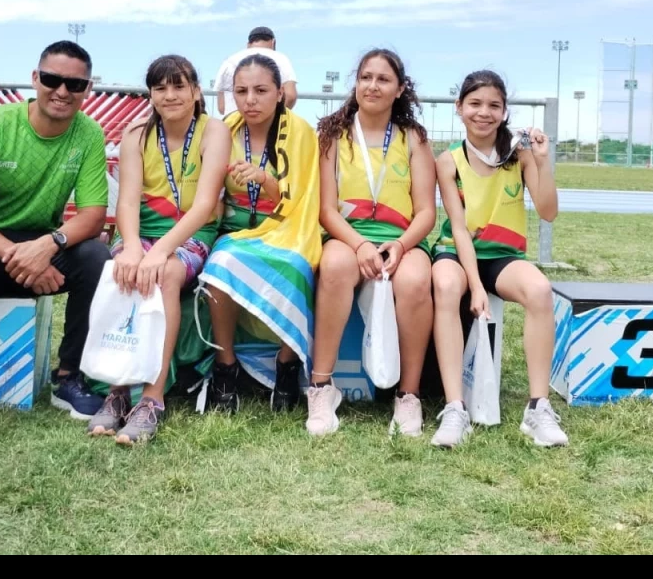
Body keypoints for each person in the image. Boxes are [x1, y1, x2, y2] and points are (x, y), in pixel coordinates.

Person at [0, 40, 110, 426]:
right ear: (34, 79)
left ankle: (69, 378)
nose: (62, 91)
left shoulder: (89, 133)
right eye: (52, 79)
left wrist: (48, 245)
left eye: (75, 85)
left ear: (87, 90)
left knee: (96, 257)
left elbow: (94, 215)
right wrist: (18, 254)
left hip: (40, 242)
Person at [86, 55, 230, 445]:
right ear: (150, 94)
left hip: (190, 234)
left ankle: (152, 397)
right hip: (141, 233)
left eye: (179, 86)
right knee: (120, 271)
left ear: (196, 91)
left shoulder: (214, 132)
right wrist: (131, 247)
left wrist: (160, 251)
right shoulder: (136, 134)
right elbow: (128, 202)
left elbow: (203, 206)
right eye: (160, 87)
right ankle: (117, 391)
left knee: (164, 274)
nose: (170, 95)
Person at [428, 69, 565, 450]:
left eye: (493, 105)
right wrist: (475, 287)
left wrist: (542, 161)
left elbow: (549, 211)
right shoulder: (448, 161)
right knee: (446, 284)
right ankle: (455, 408)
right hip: (457, 253)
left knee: (539, 289)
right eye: (474, 104)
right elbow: (458, 228)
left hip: (503, 257)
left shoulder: (518, 155)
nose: (483, 112)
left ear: (505, 111)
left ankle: (538, 408)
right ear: (459, 108)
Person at [306, 49, 437, 437]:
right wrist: (361, 244)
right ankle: (321, 387)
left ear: (399, 90)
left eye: (383, 79)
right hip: (348, 236)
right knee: (333, 266)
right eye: (365, 77)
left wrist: (399, 245)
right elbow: (326, 210)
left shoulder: (414, 138)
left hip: (402, 239)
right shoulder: (332, 134)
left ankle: (408, 395)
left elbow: (426, 212)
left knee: (414, 281)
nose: (372, 86)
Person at [199, 53, 322, 412]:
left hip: (290, 226)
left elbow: (305, 196)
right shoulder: (225, 128)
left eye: (260, 90)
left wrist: (266, 180)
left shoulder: (300, 132)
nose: (250, 100)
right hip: (237, 228)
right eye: (241, 91)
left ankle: (287, 365)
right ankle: (226, 366)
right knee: (221, 261)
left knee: (300, 266)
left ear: (280, 93)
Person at [214, 26, 298, 116]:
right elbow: (290, 95)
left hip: (232, 125)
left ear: (248, 44)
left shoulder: (229, 62)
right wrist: (276, 118)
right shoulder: (280, 58)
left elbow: (222, 107)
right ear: (273, 42)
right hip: (268, 126)